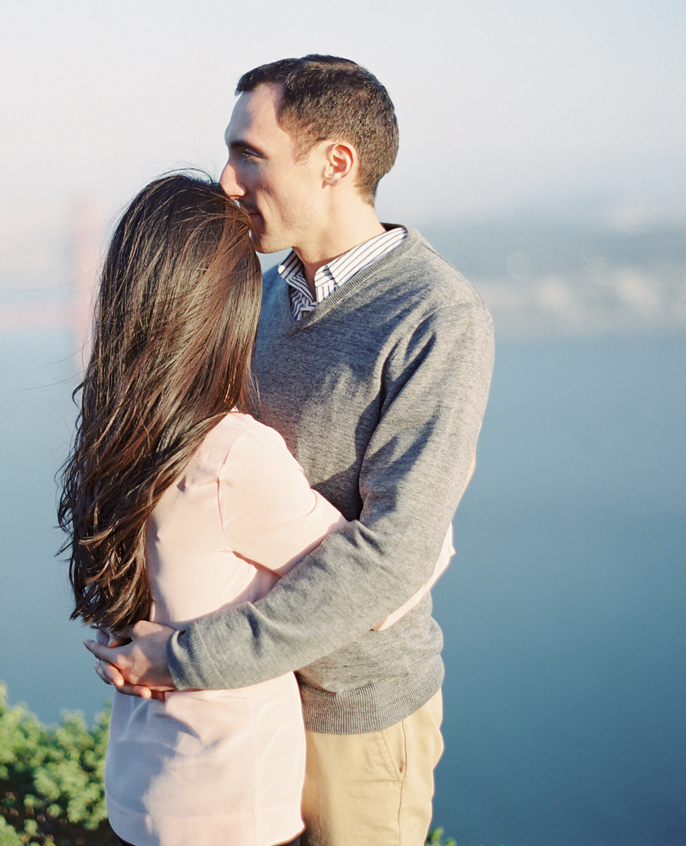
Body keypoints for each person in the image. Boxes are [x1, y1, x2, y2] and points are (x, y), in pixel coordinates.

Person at [86, 56, 495, 846]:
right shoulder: (265, 298)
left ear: (336, 163)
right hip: (247, 717)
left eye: (250, 154)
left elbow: (394, 557)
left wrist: (184, 656)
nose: (228, 181)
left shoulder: (437, 317)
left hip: (354, 712)